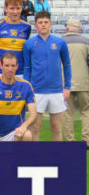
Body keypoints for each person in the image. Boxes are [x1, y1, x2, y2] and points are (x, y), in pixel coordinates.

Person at [23, 11, 71, 142]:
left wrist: (67, 87)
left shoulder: (60, 42)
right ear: (35, 25)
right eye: (40, 22)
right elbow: (27, 68)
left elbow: (66, 65)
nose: (43, 25)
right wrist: (28, 89)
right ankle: (36, 158)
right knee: (35, 127)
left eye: (45, 22)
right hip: (36, 91)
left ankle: (57, 157)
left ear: (50, 23)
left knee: (56, 127)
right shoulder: (29, 44)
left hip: (56, 91)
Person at [0, 53, 36, 141]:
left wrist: (23, 127)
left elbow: (33, 114)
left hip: (16, 134)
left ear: (17, 66)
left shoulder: (26, 86)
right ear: (1, 66)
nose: (10, 69)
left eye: (13, 66)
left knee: (27, 135)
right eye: (7, 66)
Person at [0, 0, 31, 79]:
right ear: (5, 9)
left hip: (19, 71)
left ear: (21, 9)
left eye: (18, 8)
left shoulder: (27, 27)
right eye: (12, 8)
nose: (15, 12)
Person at [62, 18, 89, 147]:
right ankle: (87, 140)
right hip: (84, 82)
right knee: (86, 111)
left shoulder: (60, 41)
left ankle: (70, 141)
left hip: (65, 84)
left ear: (68, 28)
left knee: (67, 113)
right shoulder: (86, 42)